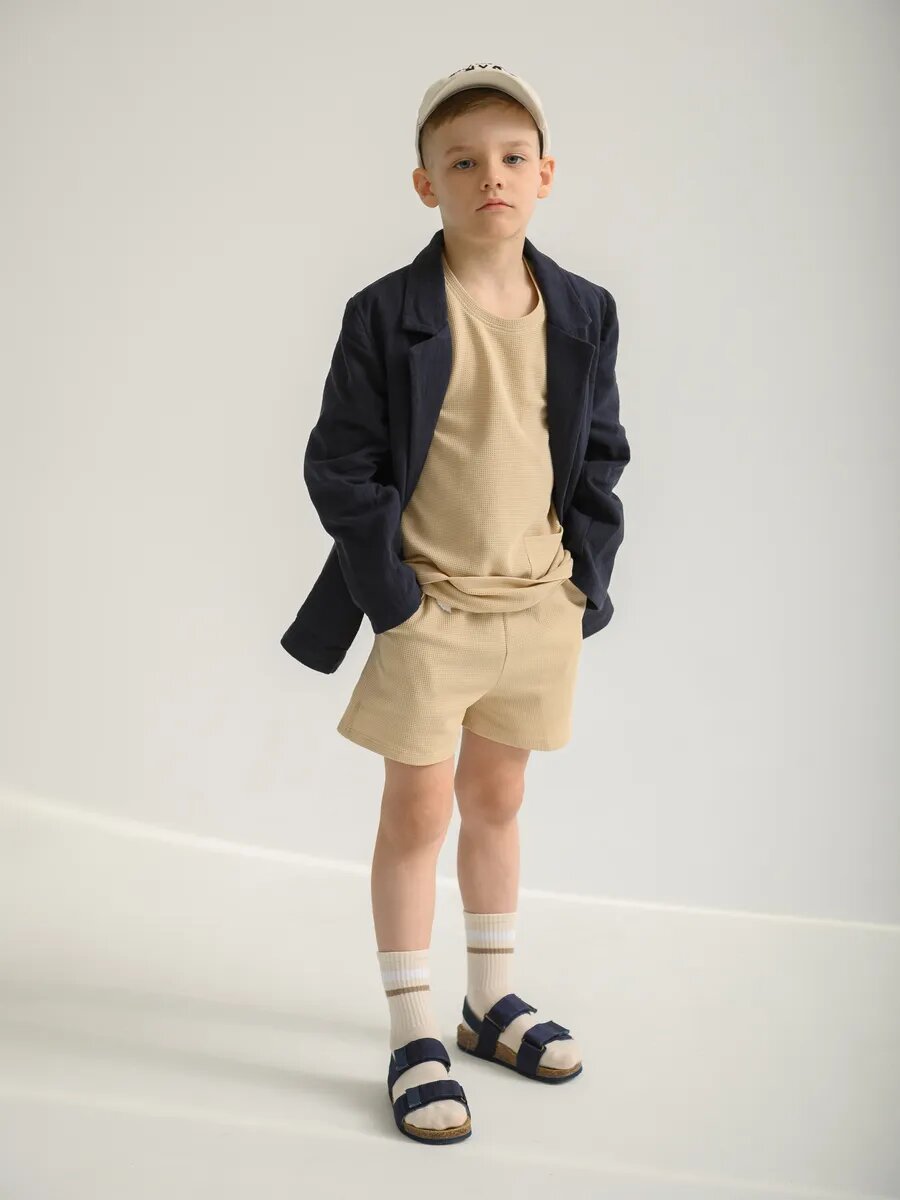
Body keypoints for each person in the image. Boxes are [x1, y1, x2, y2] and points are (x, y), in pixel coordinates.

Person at [284, 63, 630, 1144]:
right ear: (426, 184)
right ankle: (412, 1030)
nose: (493, 177)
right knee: (417, 815)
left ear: (546, 174)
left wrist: (582, 581)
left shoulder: (583, 309)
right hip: (430, 612)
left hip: (537, 609)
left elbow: (600, 453)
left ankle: (489, 1001)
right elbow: (341, 465)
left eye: (514, 158)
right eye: (464, 161)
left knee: (498, 801)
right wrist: (395, 602)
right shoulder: (386, 313)